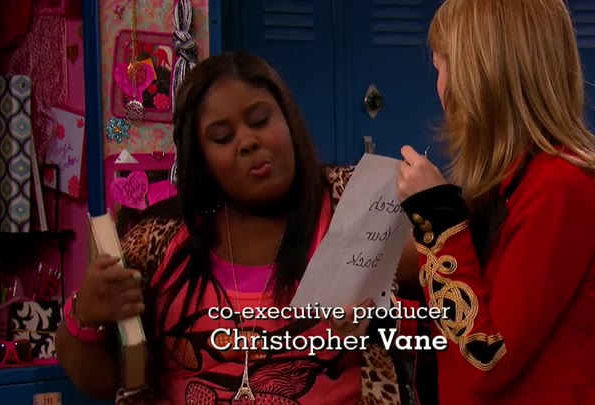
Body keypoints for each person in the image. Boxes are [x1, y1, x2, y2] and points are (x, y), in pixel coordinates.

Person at [56, 52, 422, 405]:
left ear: (289, 121)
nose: (248, 142)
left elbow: (444, 293)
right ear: (200, 158)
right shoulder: (158, 238)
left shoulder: (356, 207)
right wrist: (84, 315)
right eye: (222, 137)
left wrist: (382, 321)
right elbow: (106, 383)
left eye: (260, 120)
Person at [395, 1, 595, 404]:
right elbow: (467, 312)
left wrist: (437, 218)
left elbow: (485, 358)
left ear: (477, 77)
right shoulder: (512, 184)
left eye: (441, 68)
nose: (440, 89)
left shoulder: (559, 188)